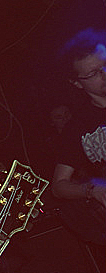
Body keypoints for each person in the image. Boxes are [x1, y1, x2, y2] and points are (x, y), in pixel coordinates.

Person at [51, 27, 106, 245]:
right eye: (94, 73)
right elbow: (59, 185)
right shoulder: (78, 127)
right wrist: (92, 190)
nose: (104, 74)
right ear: (76, 82)